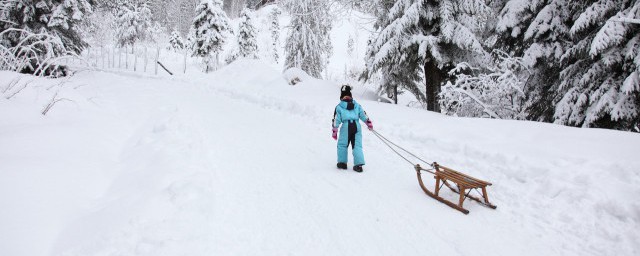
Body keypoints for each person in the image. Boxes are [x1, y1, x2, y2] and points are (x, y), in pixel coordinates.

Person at [331, 85, 373, 172]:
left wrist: (335, 131)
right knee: (357, 145)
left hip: (346, 126)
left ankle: (342, 163)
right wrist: (368, 122)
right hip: (357, 126)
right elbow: (363, 114)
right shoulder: (357, 105)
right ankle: (358, 165)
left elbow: (336, 120)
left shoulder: (339, 107)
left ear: (341, 96)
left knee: (342, 144)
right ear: (351, 95)